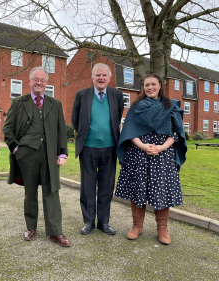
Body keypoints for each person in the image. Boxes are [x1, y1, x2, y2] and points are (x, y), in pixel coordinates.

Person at [2, 66, 71, 247]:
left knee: (52, 192)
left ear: (46, 83)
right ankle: (31, 227)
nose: (39, 83)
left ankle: (55, 232)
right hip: (27, 155)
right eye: (36, 79)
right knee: (30, 193)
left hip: (50, 155)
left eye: (42, 80)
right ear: (30, 81)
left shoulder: (56, 103)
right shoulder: (18, 102)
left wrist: (62, 152)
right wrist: (16, 149)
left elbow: (61, 130)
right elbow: (7, 129)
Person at [115, 73, 187, 245]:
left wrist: (161, 147)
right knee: (138, 188)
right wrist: (143, 146)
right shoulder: (136, 107)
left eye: (153, 84)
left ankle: (162, 229)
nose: (150, 88)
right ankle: (136, 226)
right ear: (143, 87)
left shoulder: (170, 106)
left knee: (161, 189)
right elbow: (129, 131)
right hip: (139, 153)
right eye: (147, 85)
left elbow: (177, 133)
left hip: (163, 155)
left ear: (160, 85)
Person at [71, 63, 124, 235]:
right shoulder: (82, 95)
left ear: (109, 78)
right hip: (88, 148)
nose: (101, 78)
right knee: (87, 187)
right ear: (92, 77)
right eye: (97, 75)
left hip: (110, 148)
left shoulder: (117, 95)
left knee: (106, 187)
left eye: (104, 75)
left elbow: (118, 116)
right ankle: (88, 222)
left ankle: (103, 222)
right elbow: (75, 119)